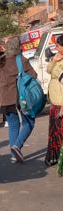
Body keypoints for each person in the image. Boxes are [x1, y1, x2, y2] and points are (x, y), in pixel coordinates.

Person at [0, 37, 37, 163]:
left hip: (5, 98)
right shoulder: (21, 60)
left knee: (13, 126)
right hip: (20, 98)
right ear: (18, 47)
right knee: (29, 122)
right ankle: (17, 146)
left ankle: (14, 155)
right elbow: (33, 76)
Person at [45, 34, 63, 166]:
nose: (55, 48)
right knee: (55, 132)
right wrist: (54, 60)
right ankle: (56, 157)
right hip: (55, 100)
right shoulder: (57, 58)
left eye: (58, 45)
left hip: (61, 102)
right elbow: (48, 70)